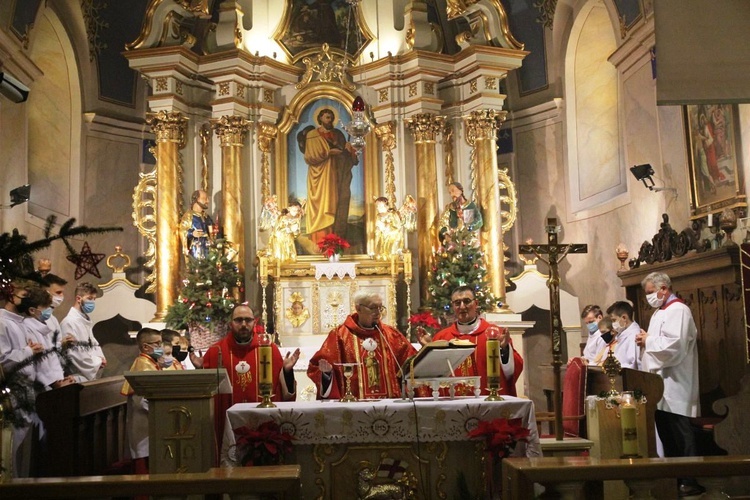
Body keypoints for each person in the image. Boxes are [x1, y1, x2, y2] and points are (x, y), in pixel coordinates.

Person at [635, 272, 702, 498]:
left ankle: (690, 480)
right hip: (660, 384)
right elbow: (659, 341)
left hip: (676, 382)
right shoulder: (660, 312)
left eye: (651, 293)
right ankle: (674, 478)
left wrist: (648, 341)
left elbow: (674, 346)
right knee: (667, 433)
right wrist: (647, 338)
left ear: (664, 288)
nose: (649, 298)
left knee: (681, 433)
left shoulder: (679, 311)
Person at [201, 304, 299, 440]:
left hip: (263, 425)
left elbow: (282, 391)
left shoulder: (269, 349)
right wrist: (199, 369)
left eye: (248, 320)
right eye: (238, 320)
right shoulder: (215, 351)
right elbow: (205, 394)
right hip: (226, 426)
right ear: (231, 323)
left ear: (254, 322)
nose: (243, 324)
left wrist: (287, 372)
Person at [308, 291, 416, 400]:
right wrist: (327, 373)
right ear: (358, 308)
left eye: (380, 308)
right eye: (373, 308)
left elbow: (412, 361)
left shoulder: (391, 335)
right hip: (353, 408)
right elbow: (317, 366)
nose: (378, 313)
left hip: (391, 405)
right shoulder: (339, 336)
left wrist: (426, 347)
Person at [429, 285, 523, 397]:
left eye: (467, 301)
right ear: (453, 306)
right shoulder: (442, 337)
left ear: (476, 304)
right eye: (457, 303)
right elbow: (431, 375)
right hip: (453, 404)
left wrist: (504, 349)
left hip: (486, 402)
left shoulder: (494, 334)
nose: (462, 306)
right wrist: (428, 346)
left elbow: (511, 372)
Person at [0, 280, 43, 477]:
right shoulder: (2, 322)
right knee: (9, 449)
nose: (26, 301)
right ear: (11, 296)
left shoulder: (19, 322)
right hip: (11, 392)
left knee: (22, 451)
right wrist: (28, 351)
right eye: (23, 297)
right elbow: (3, 361)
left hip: (26, 390)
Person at [297, 107, 358, 243]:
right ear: (320, 119)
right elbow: (309, 157)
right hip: (319, 175)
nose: (329, 120)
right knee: (320, 204)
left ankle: (336, 238)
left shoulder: (339, 135)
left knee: (335, 203)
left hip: (336, 175)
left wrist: (349, 150)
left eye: (331, 117)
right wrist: (328, 153)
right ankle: (319, 239)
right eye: (326, 117)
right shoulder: (313, 134)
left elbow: (348, 158)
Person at [120, 327, 164, 475]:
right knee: (144, 472)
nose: (161, 347)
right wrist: (164, 410)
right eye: (157, 344)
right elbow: (142, 401)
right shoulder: (143, 366)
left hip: (150, 426)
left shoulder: (150, 362)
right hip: (144, 428)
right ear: (145, 346)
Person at [60, 282, 106, 382]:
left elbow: (93, 343)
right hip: (76, 375)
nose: (93, 302)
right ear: (78, 299)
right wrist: (97, 362)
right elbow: (74, 353)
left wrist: (101, 357)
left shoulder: (85, 321)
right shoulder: (69, 322)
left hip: (88, 374)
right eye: (90, 298)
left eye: (94, 299)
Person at [180, 189, 214, 259]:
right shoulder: (189, 216)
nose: (208, 201)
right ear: (197, 199)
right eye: (205, 199)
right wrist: (192, 233)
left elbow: (212, 232)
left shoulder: (206, 216)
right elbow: (182, 230)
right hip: (196, 249)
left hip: (208, 248)